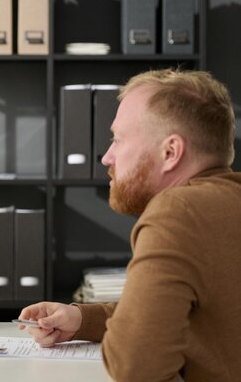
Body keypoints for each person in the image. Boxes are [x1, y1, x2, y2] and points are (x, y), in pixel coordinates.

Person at [18, 69, 241, 381]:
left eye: (118, 139)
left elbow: (134, 367)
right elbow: (183, 313)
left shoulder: (179, 211)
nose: (108, 157)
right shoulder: (227, 204)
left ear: (170, 152)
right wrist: (82, 319)